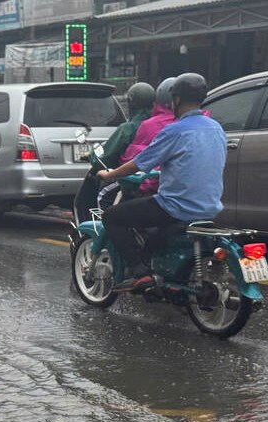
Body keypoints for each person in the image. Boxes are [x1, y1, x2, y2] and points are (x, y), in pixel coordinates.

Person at [96, 73, 227, 292]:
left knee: (113, 216)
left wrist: (110, 175)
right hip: (209, 207)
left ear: (175, 100)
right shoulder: (216, 128)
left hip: (175, 207)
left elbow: (139, 163)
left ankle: (139, 272)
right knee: (155, 228)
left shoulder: (174, 130)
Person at [120, 77, 177, 195]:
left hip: (158, 192)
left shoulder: (152, 126)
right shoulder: (211, 127)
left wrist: (111, 174)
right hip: (202, 200)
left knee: (111, 212)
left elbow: (136, 160)